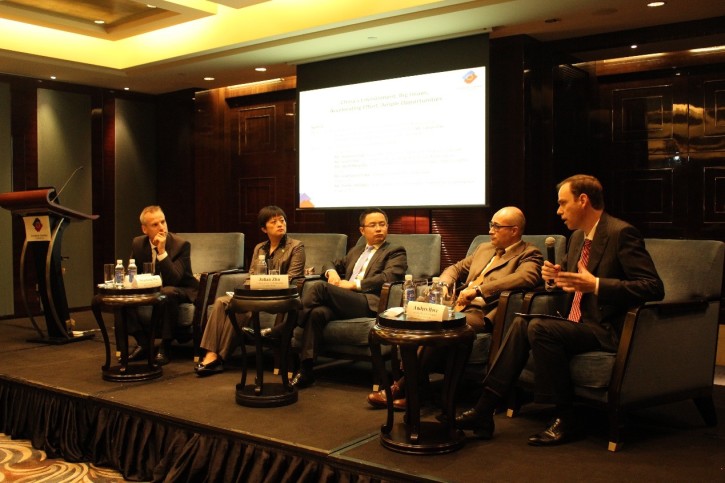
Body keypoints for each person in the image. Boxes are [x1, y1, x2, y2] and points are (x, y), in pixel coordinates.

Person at [455, 174, 665, 445]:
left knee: (540, 328)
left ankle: (566, 417)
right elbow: (568, 285)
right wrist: (554, 279)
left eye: (563, 203)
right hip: (577, 322)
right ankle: (485, 409)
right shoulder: (577, 238)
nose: (558, 211)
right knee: (521, 322)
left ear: (583, 200)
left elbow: (652, 287)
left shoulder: (620, 233)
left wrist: (598, 285)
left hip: (606, 328)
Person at [367, 206, 543, 409]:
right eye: (490, 225)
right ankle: (417, 390)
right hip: (455, 305)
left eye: (496, 226)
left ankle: (403, 388)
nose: (490, 231)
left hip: (482, 312)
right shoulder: (485, 248)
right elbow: (456, 267)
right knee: (413, 323)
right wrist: (443, 283)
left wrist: (479, 290)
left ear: (514, 230)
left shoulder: (529, 253)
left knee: (440, 326)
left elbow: (525, 277)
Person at [291, 208, 408, 388]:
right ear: (362, 230)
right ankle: (306, 370)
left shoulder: (395, 251)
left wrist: (354, 285)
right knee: (316, 313)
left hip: (367, 302)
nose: (379, 229)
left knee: (320, 287)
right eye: (373, 225)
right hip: (346, 301)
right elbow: (331, 263)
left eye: (382, 224)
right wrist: (332, 273)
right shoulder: (357, 250)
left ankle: (287, 325)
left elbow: (389, 277)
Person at [195, 206, 305, 376]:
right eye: (274, 222)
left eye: (282, 220)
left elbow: (293, 277)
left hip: (278, 297)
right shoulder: (260, 248)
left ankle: (221, 357)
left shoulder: (296, 247)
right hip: (256, 294)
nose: (280, 224)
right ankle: (211, 353)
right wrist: (250, 286)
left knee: (241, 309)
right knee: (220, 302)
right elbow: (252, 275)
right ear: (264, 228)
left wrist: (262, 283)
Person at [121, 205, 199, 365]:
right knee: (122, 295)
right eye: (155, 225)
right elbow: (132, 272)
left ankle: (165, 345)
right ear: (145, 229)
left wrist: (161, 251)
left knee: (167, 292)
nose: (161, 227)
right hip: (151, 289)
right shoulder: (138, 243)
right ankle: (143, 342)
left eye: (163, 222)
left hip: (181, 289)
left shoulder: (181, 245)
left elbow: (175, 279)